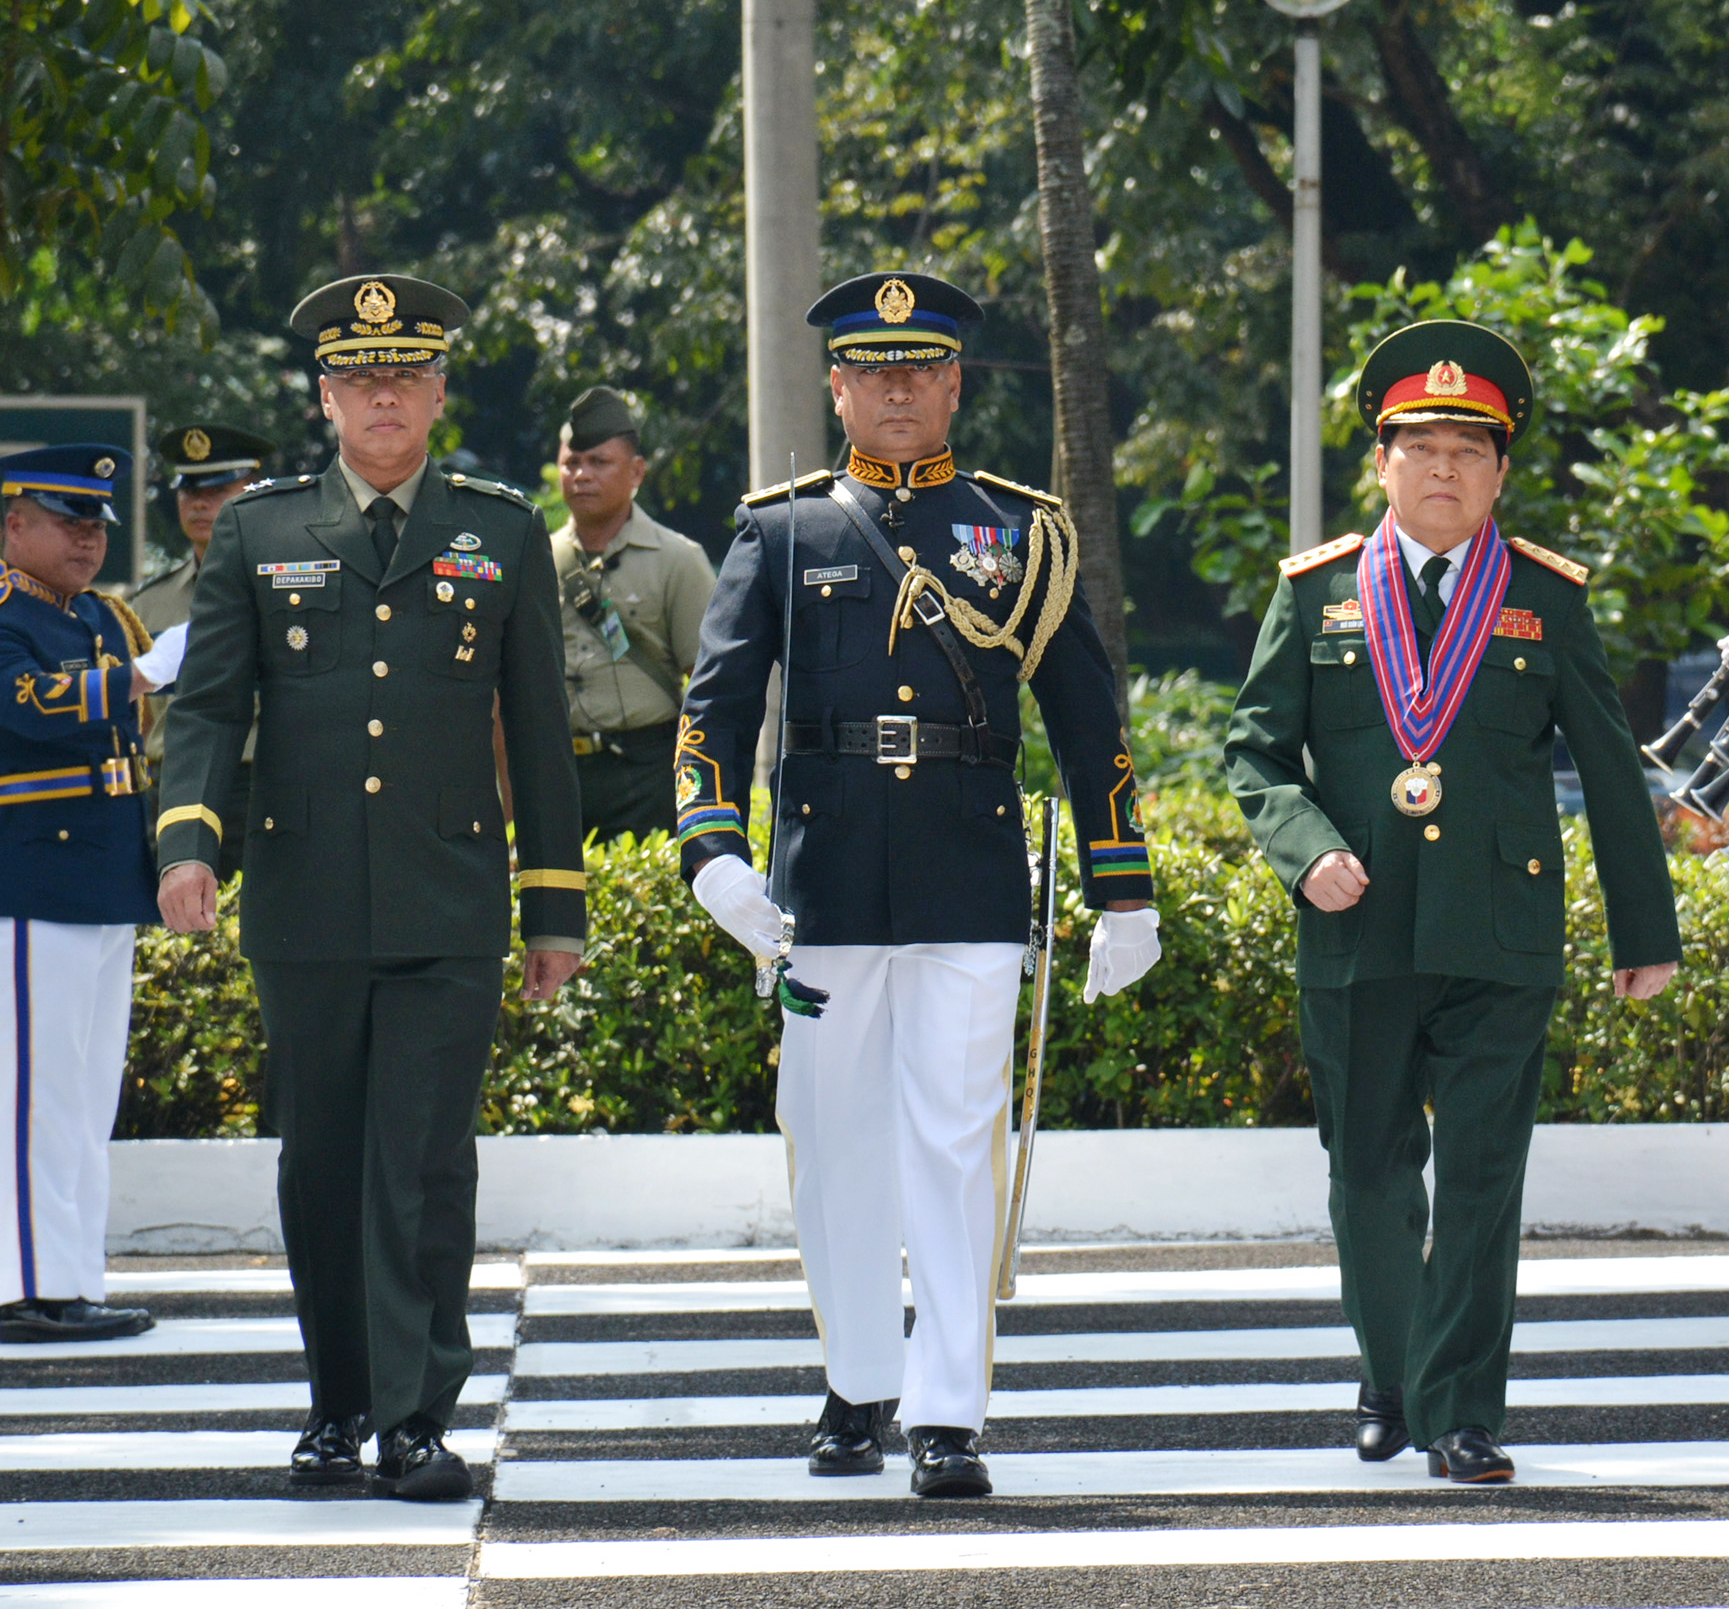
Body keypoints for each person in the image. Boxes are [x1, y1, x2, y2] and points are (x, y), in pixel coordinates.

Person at [673, 271, 1160, 1499]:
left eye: (919, 367)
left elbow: (1089, 714)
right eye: (870, 369)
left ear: (953, 383)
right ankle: (854, 1384)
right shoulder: (781, 530)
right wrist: (713, 849)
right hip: (823, 886)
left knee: (954, 1142)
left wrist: (1122, 882)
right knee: (830, 1140)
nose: (896, 388)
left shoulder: (1018, 530)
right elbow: (717, 706)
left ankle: (948, 1411)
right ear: (835, 386)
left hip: (966, 871)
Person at [1223, 319, 1681, 1486]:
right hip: (1356, 924)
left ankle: (1463, 1411)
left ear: (1500, 471)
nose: (1443, 468)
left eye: (1468, 450)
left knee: (1481, 1177)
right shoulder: (1318, 594)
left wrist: (1645, 933)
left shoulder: (1543, 599)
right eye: (1419, 445)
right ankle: (1390, 1372)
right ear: (1379, 461)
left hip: (1498, 933)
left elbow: (1612, 772)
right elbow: (1255, 755)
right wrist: (1302, 847)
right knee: (1368, 1171)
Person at [155, 273, 589, 1501]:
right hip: (303, 900)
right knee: (322, 1164)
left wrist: (553, 906)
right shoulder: (260, 528)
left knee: (424, 1162)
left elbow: (540, 732)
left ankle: (413, 1418)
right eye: (360, 377)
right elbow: (208, 707)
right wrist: (190, 842)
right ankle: (335, 1406)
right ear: (326, 395)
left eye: (406, 376)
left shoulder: (500, 528)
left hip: (447, 900)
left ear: (440, 391)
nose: (383, 396)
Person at [0, 444, 161, 1346]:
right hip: (29, 878)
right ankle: (23, 1285)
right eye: (68, 521)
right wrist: (134, 678)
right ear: (13, 523)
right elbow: (25, 701)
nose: (88, 539)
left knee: (86, 1091)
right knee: (31, 1095)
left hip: (100, 878)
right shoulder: (8, 615)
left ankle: (69, 1276)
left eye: (96, 523)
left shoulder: (100, 618)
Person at [548, 386, 716, 842]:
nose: (581, 475)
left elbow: (710, 689)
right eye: (571, 463)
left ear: (636, 471)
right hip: (557, 772)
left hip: (648, 773)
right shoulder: (539, 561)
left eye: (599, 462)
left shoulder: (678, 559)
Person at [131, 425, 275, 878]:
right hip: (169, 784)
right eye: (189, 488)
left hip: (260, 783)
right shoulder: (148, 603)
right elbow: (144, 719)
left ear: (252, 488)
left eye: (218, 487)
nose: (199, 502)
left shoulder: (287, 591)